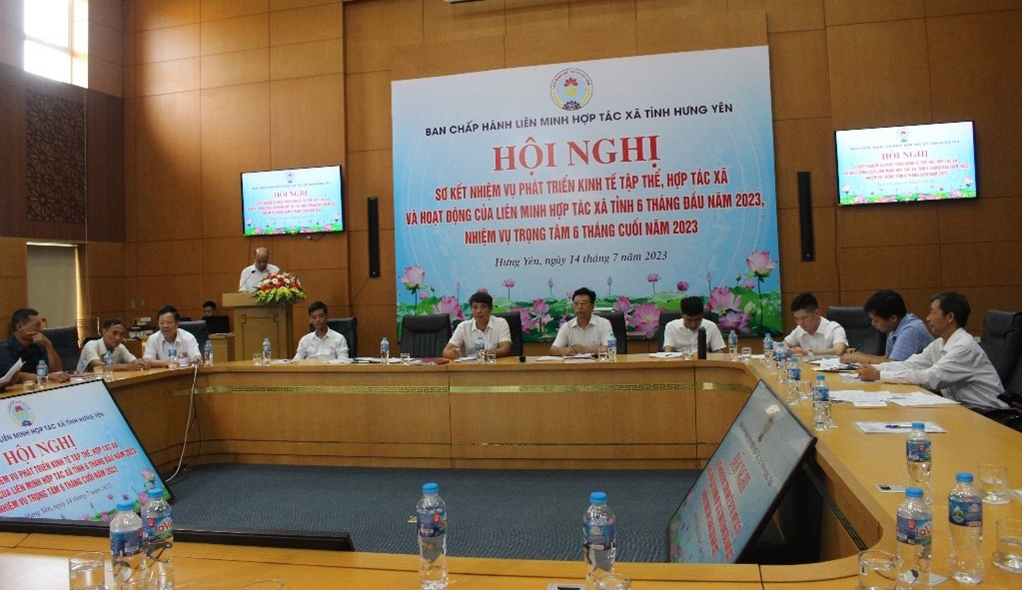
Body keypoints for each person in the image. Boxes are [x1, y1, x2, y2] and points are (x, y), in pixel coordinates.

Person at [857, 291, 1008, 412]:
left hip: (990, 414)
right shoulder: (939, 344)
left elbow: (931, 378)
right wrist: (875, 368)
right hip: (965, 410)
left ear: (949, 317)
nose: (928, 318)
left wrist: (880, 375)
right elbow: (910, 364)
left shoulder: (964, 347)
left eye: (933, 313)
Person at [840, 289, 932, 364]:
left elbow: (894, 365)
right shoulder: (896, 328)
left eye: (876, 320)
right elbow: (888, 358)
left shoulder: (911, 330)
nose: (873, 324)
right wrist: (860, 355)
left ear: (893, 318)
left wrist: (856, 358)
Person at [0, 308, 70, 385]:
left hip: (39, 388)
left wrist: (48, 346)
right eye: (37, 325)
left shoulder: (39, 345)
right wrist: (46, 377)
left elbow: (57, 371)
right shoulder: (4, 349)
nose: (41, 329)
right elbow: (15, 376)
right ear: (19, 327)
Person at [443, 291, 512, 359]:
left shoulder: (500, 323)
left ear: (490, 309)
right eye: (475, 307)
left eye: (483, 307)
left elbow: (505, 349)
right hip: (471, 365)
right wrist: (451, 353)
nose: (478, 311)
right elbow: (446, 351)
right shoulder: (463, 327)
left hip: (495, 364)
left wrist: (483, 354)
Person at [550, 287, 613, 356]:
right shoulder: (567, 326)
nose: (579, 307)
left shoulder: (604, 324)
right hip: (574, 362)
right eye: (576, 303)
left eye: (583, 303)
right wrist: (564, 351)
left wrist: (586, 350)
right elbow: (553, 350)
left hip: (597, 362)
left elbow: (609, 348)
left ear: (592, 306)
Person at [783, 292, 848, 356]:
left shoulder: (834, 328)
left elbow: (838, 351)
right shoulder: (799, 329)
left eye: (804, 318)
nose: (801, 323)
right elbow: (782, 345)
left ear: (816, 313)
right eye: (797, 319)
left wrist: (808, 352)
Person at [77, 318, 148, 373]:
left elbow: (133, 361)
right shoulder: (91, 345)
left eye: (121, 334)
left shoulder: (120, 347)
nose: (118, 338)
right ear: (104, 332)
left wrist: (141, 364)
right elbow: (99, 367)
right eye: (114, 333)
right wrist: (127, 367)